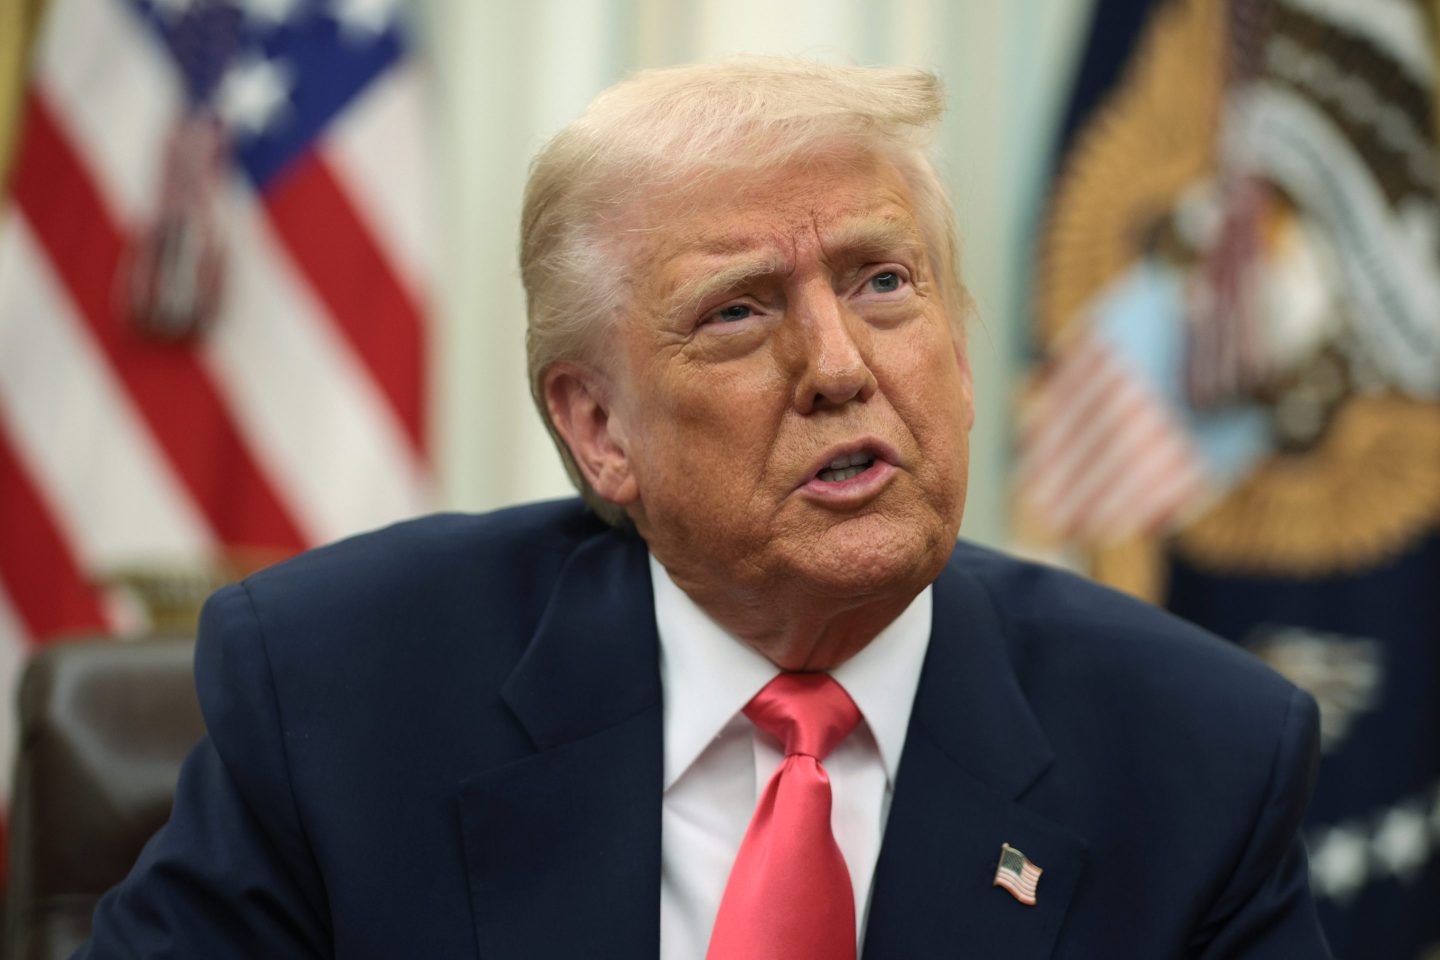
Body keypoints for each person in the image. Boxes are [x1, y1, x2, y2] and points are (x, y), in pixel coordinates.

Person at [75, 59, 1332, 959]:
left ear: (958, 344)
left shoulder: (1198, 758)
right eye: (739, 310)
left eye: (885, 282)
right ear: (598, 428)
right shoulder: (342, 692)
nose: (842, 365)